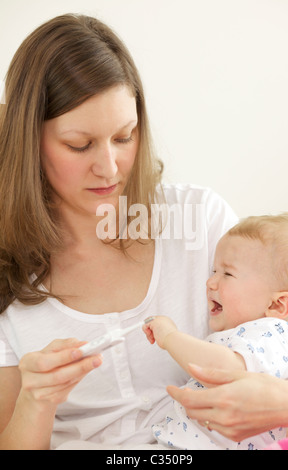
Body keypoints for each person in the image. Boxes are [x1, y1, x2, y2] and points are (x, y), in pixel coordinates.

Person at [0, 13, 238, 450]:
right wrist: (35, 401)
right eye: (79, 144)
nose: (109, 168)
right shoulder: (7, 271)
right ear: (28, 140)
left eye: (124, 137)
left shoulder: (201, 221)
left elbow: (280, 353)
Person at [144, 213, 288, 450]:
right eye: (213, 271)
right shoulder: (260, 334)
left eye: (227, 274)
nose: (210, 282)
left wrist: (169, 336)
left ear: (276, 305)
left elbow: (222, 372)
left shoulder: (275, 333)